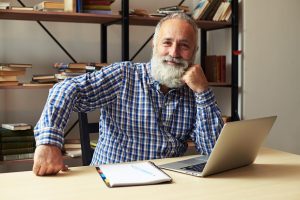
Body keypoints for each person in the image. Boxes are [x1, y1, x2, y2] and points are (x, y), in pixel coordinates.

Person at [33, 13, 224, 176]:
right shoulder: (124, 75)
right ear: (154, 44)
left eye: (184, 46)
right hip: (112, 180)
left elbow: (213, 153)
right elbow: (65, 89)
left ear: (194, 52)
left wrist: (203, 92)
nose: (173, 53)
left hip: (166, 183)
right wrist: (49, 142)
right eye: (167, 43)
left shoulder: (195, 91)